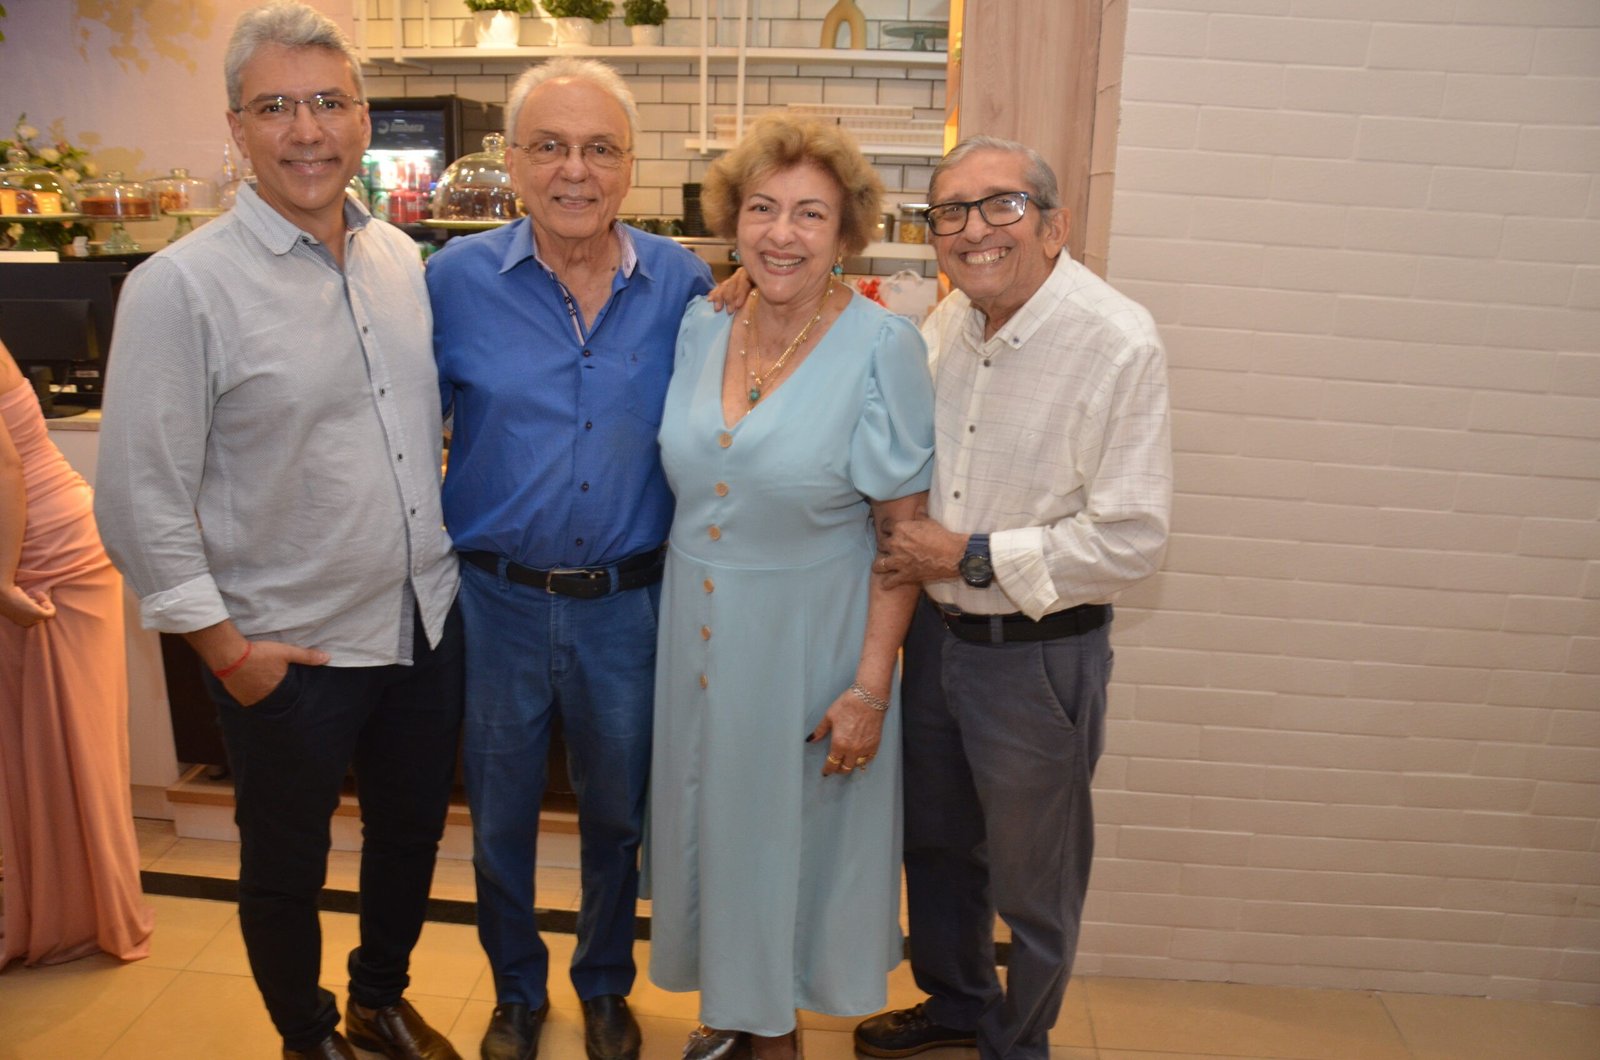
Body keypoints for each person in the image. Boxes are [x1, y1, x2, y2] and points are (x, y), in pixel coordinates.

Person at [93, 4, 464, 1058]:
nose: (307, 130)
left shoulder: (400, 258)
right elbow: (138, 497)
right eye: (276, 108)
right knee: (285, 863)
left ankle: (378, 999)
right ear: (237, 128)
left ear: (364, 120)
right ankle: (308, 1036)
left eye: (329, 102)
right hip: (286, 648)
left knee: (409, 835)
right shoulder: (180, 287)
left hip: (421, 624)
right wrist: (226, 651)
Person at [858, 137, 1172, 1060]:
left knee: (1036, 883)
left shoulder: (1116, 341)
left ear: (1054, 225)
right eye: (950, 212)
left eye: (1001, 205)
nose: (973, 229)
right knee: (938, 849)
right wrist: (745, 295)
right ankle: (958, 1004)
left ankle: (1017, 1043)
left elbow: (1133, 538)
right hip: (936, 643)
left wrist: (970, 556)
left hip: (1039, 658)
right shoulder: (950, 321)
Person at [426, 58, 712, 1060]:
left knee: (616, 819)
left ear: (630, 166)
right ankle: (515, 990)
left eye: (599, 149)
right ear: (513, 162)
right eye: (549, 146)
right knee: (500, 818)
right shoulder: (453, 282)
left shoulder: (684, 285)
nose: (574, 170)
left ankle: (603, 985)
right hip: (495, 602)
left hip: (628, 606)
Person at [647, 113, 935, 1060]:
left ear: (846, 231)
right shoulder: (702, 325)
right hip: (697, 639)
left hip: (810, 645)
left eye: (810, 214)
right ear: (733, 221)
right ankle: (735, 1013)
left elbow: (901, 539)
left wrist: (870, 688)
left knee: (789, 843)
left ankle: (775, 1035)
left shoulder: (883, 345)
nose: (782, 233)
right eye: (762, 209)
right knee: (714, 826)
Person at [0, 340, 154, 972]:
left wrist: (1, 579)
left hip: (44, 554)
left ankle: (86, 916)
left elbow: (5, 467)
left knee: (68, 744)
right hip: (25, 547)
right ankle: (46, 906)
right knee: (29, 744)